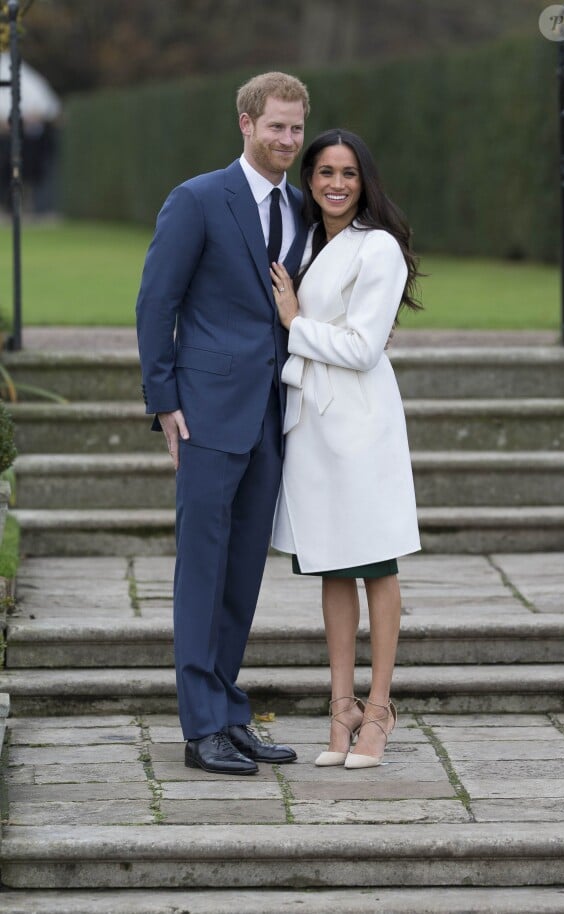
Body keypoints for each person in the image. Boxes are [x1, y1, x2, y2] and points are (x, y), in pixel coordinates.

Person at [136, 72, 310, 775]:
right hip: (207, 415)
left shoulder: (301, 205)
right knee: (202, 570)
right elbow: (156, 301)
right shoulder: (199, 198)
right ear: (245, 122)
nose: (288, 140)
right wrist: (163, 400)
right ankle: (200, 727)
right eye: (276, 126)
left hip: (273, 415)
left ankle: (229, 712)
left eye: (297, 128)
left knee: (242, 574)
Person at [270, 129, 422, 770]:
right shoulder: (304, 242)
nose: (336, 183)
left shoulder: (377, 247)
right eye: (325, 171)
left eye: (349, 173)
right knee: (331, 566)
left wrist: (295, 324)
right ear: (310, 180)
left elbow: (363, 348)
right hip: (310, 424)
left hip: (360, 423)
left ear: (365, 183)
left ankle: (380, 708)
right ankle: (341, 708)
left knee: (376, 563)